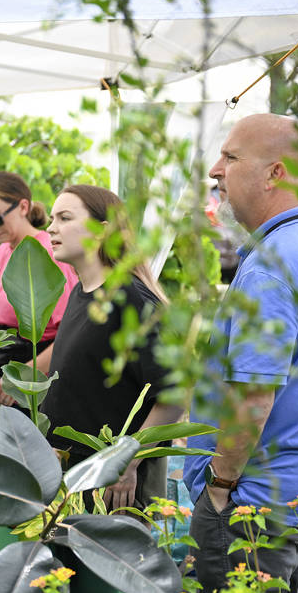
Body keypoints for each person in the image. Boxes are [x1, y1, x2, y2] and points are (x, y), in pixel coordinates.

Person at [182, 114, 298, 593]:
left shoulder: (271, 266)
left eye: (231, 157)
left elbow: (254, 398)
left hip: (255, 499)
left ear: (274, 173)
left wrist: (218, 486)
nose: (216, 170)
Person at [40, 184, 182, 512]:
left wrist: (127, 460)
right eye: (51, 218)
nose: (51, 227)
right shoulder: (82, 292)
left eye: (64, 217)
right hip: (75, 481)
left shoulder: (129, 298)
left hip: (115, 489)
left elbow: (175, 394)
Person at [0, 172, 77, 409]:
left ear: (23, 206)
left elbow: (69, 334)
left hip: (37, 386)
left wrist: (26, 375)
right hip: (5, 385)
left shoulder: (49, 254)